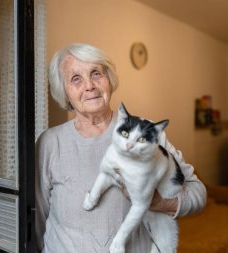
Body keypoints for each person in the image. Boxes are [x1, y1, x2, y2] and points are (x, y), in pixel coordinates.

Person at [35, 43, 207, 253]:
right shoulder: (50, 143)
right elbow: (37, 217)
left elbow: (197, 192)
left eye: (96, 73)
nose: (90, 86)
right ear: (64, 92)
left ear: (109, 79)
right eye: (76, 79)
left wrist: (159, 203)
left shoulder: (147, 133)